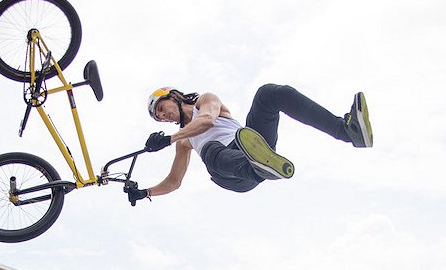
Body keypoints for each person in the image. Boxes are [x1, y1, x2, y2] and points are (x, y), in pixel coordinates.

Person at [128, 85, 372, 201]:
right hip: (232, 174)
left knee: (268, 94)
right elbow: (174, 181)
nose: (163, 115)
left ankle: (347, 131)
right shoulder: (185, 143)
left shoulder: (206, 100)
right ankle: (257, 166)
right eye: (159, 117)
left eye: (162, 108)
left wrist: (169, 139)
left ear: (175, 96)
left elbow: (206, 121)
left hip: (249, 146)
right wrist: (145, 192)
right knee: (211, 150)